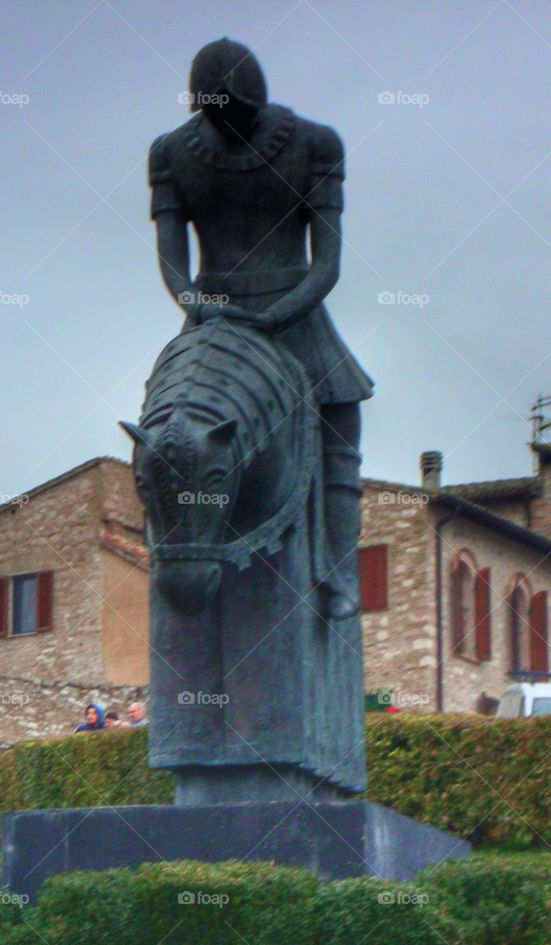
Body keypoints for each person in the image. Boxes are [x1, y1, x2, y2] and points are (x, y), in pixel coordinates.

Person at [148, 37, 373, 618]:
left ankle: (338, 575)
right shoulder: (172, 154)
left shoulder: (314, 144)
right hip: (213, 320)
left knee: (341, 421)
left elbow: (327, 264)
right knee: (173, 436)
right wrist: (199, 305)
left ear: (254, 101)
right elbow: (173, 261)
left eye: (233, 109)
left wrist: (277, 315)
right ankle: (185, 552)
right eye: (213, 109)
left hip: (294, 315)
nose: (223, 119)